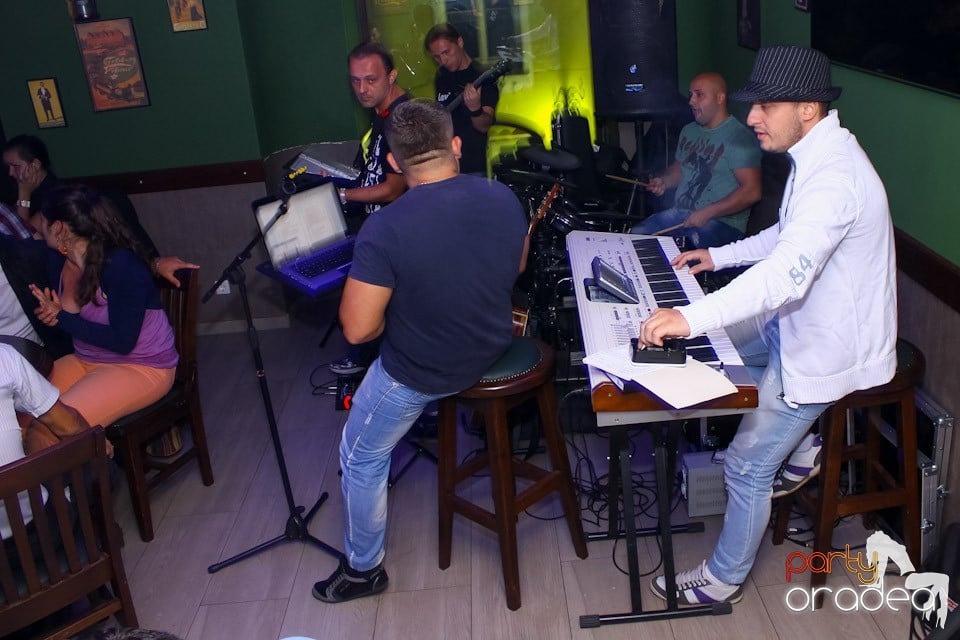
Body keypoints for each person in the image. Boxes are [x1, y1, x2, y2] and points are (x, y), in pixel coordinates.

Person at [637, 45, 897, 606]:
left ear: (808, 108)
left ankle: (722, 580)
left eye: (765, 106)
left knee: (745, 466)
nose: (752, 117)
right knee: (717, 351)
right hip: (795, 328)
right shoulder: (816, 153)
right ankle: (803, 439)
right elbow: (785, 235)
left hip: (824, 349)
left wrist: (688, 316)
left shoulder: (835, 179)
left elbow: (782, 278)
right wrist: (719, 256)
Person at [312, 99, 527, 603]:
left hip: (424, 371)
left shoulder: (384, 228)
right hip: (493, 343)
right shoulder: (501, 195)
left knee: (359, 455)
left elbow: (358, 330)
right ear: (456, 145)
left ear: (393, 161)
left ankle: (364, 570)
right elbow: (516, 266)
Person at [27, 184, 180, 449]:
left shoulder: (119, 265)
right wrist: (53, 316)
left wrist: (62, 317)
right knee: (18, 413)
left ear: (59, 227)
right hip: (86, 359)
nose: (37, 225)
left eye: (42, 219)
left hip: (141, 366)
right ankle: (88, 461)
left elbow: (123, 341)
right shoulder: (57, 260)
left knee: (47, 432)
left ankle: (90, 469)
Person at [329, 42, 411, 377]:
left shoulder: (403, 119)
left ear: (391, 76)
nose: (361, 88)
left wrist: (344, 196)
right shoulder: (382, 113)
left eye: (371, 80)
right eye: (355, 80)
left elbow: (393, 188)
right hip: (380, 229)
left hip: (398, 235)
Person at [632, 72, 761, 249]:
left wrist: (709, 212)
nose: (691, 101)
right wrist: (664, 181)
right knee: (635, 236)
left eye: (699, 95)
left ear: (720, 98)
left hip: (723, 223)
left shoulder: (739, 138)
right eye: (691, 95)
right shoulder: (689, 130)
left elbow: (752, 191)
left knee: (680, 251)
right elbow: (680, 168)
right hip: (680, 214)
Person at [2, 135, 159, 257]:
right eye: (8, 167)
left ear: (35, 165)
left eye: (15, 166)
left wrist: (24, 192)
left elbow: (22, 237)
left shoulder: (54, 194)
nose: (10, 173)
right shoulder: (35, 192)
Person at [0, 343, 90, 540]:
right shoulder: (4, 357)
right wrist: (99, 442)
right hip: (36, 530)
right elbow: (70, 426)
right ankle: (93, 545)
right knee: (96, 459)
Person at [425, 23, 499, 175]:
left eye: (446, 52)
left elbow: (485, 125)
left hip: (475, 166)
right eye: (437, 57)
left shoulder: (481, 76)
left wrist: (475, 109)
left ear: (459, 42)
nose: (443, 60)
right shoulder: (441, 76)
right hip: (448, 165)